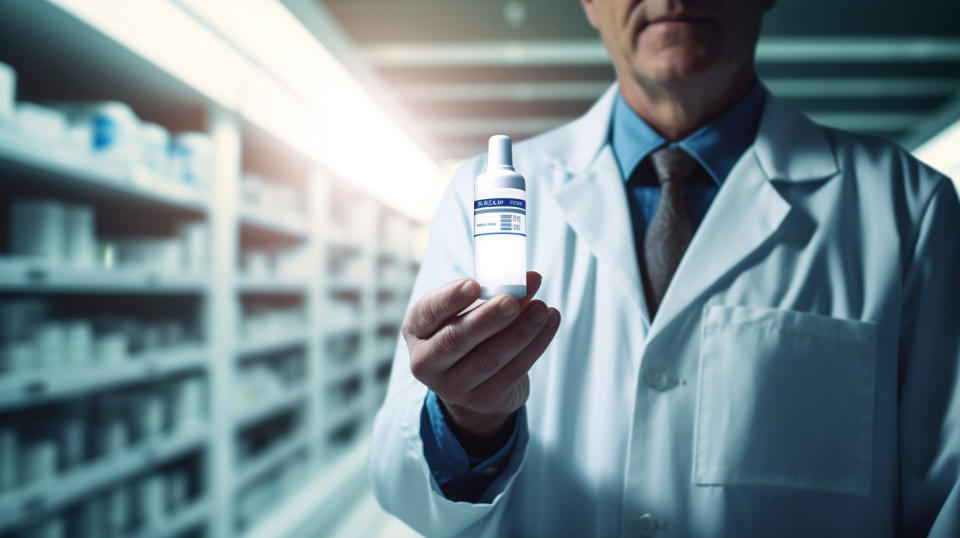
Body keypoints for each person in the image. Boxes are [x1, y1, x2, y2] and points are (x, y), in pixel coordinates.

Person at [369, 0, 960, 535]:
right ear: (590, 4)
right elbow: (402, 486)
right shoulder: (483, 192)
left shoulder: (908, 208)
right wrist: (466, 423)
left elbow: (946, 498)